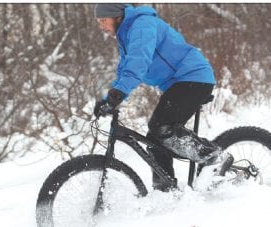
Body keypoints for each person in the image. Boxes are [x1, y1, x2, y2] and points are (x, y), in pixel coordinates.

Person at [93, 3, 233, 191]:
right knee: (154, 139)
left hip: (193, 77)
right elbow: (124, 71)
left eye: (103, 20)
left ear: (117, 16)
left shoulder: (142, 25)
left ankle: (213, 157)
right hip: (179, 83)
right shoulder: (125, 36)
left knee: (161, 127)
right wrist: (108, 98)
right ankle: (165, 190)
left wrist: (118, 95)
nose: (101, 26)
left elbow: (138, 63)